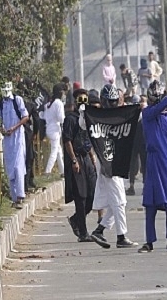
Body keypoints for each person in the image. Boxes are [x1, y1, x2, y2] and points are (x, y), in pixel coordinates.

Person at [90, 84, 138, 249]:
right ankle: (121, 236)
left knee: (116, 202)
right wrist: (89, 112)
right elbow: (84, 124)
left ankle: (100, 230)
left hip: (116, 161)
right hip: (107, 163)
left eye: (113, 101)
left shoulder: (118, 116)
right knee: (119, 201)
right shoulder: (97, 116)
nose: (111, 105)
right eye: (108, 102)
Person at [138, 81, 167, 253]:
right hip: (153, 162)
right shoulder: (147, 114)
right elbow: (157, 108)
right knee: (150, 204)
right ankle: (149, 242)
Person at [63, 89, 99, 243]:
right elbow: (67, 140)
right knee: (81, 196)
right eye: (80, 100)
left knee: (92, 195)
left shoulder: (87, 118)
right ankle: (83, 233)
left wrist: (92, 156)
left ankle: (76, 219)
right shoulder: (70, 119)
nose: (83, 103)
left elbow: (88, 138)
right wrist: (73, 160)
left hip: (87, 158)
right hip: (76, 159)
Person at [0, 81, 29, 209]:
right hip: (7, 139)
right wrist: (2, 130)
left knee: (18, 166)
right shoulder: (1, 104)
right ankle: (14, 197)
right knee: (10, 167)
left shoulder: (17, 100)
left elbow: (25, 116)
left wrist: (14, 128)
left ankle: (20, 195)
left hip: (18, 137)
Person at [41, 83, 66, 175]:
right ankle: (47, 171)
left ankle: (62, 171)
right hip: (55, 129)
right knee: (54, 151)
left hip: (49, 128)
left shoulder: (49, 104)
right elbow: (61, 118)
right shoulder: (58, 103)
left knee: (59, 151)